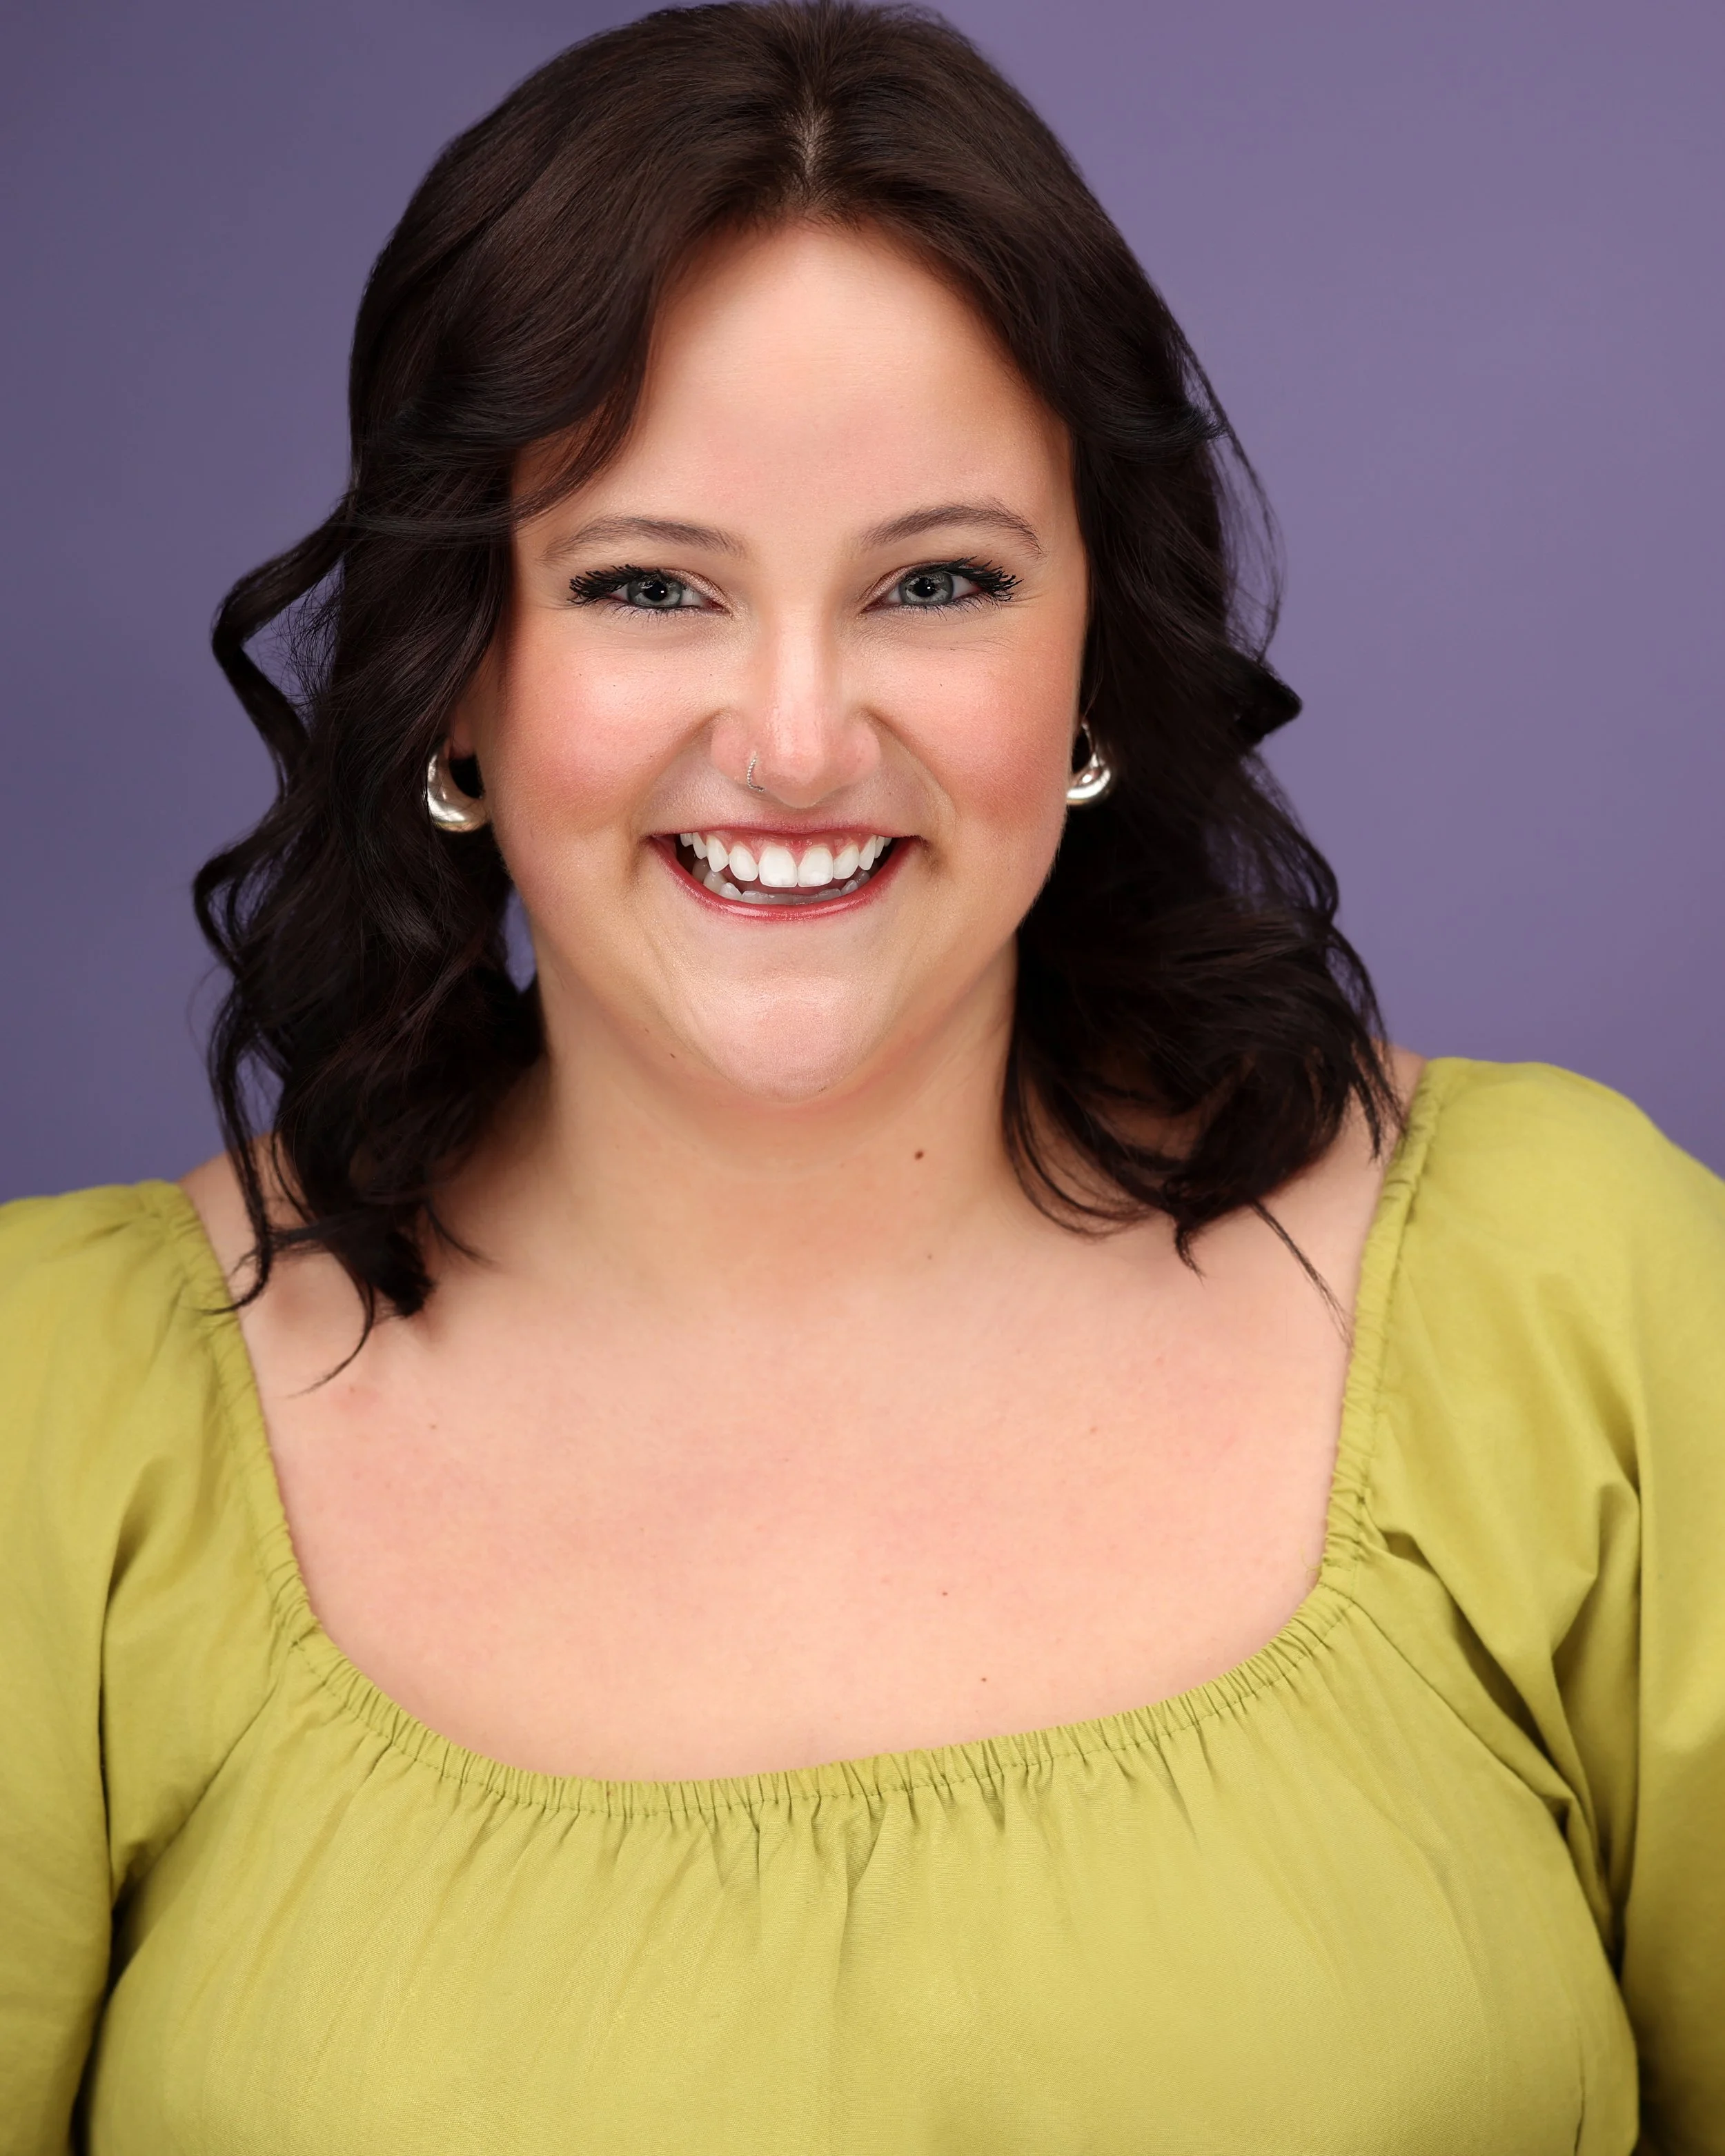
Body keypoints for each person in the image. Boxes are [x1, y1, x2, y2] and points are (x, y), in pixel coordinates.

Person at [2, 1, 1721, 2147]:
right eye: (647, 585)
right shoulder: (51, 1429)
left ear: (1096, 644)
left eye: (935, 581)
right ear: (452, 674)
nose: (799, 740)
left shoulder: (1589, 1308)